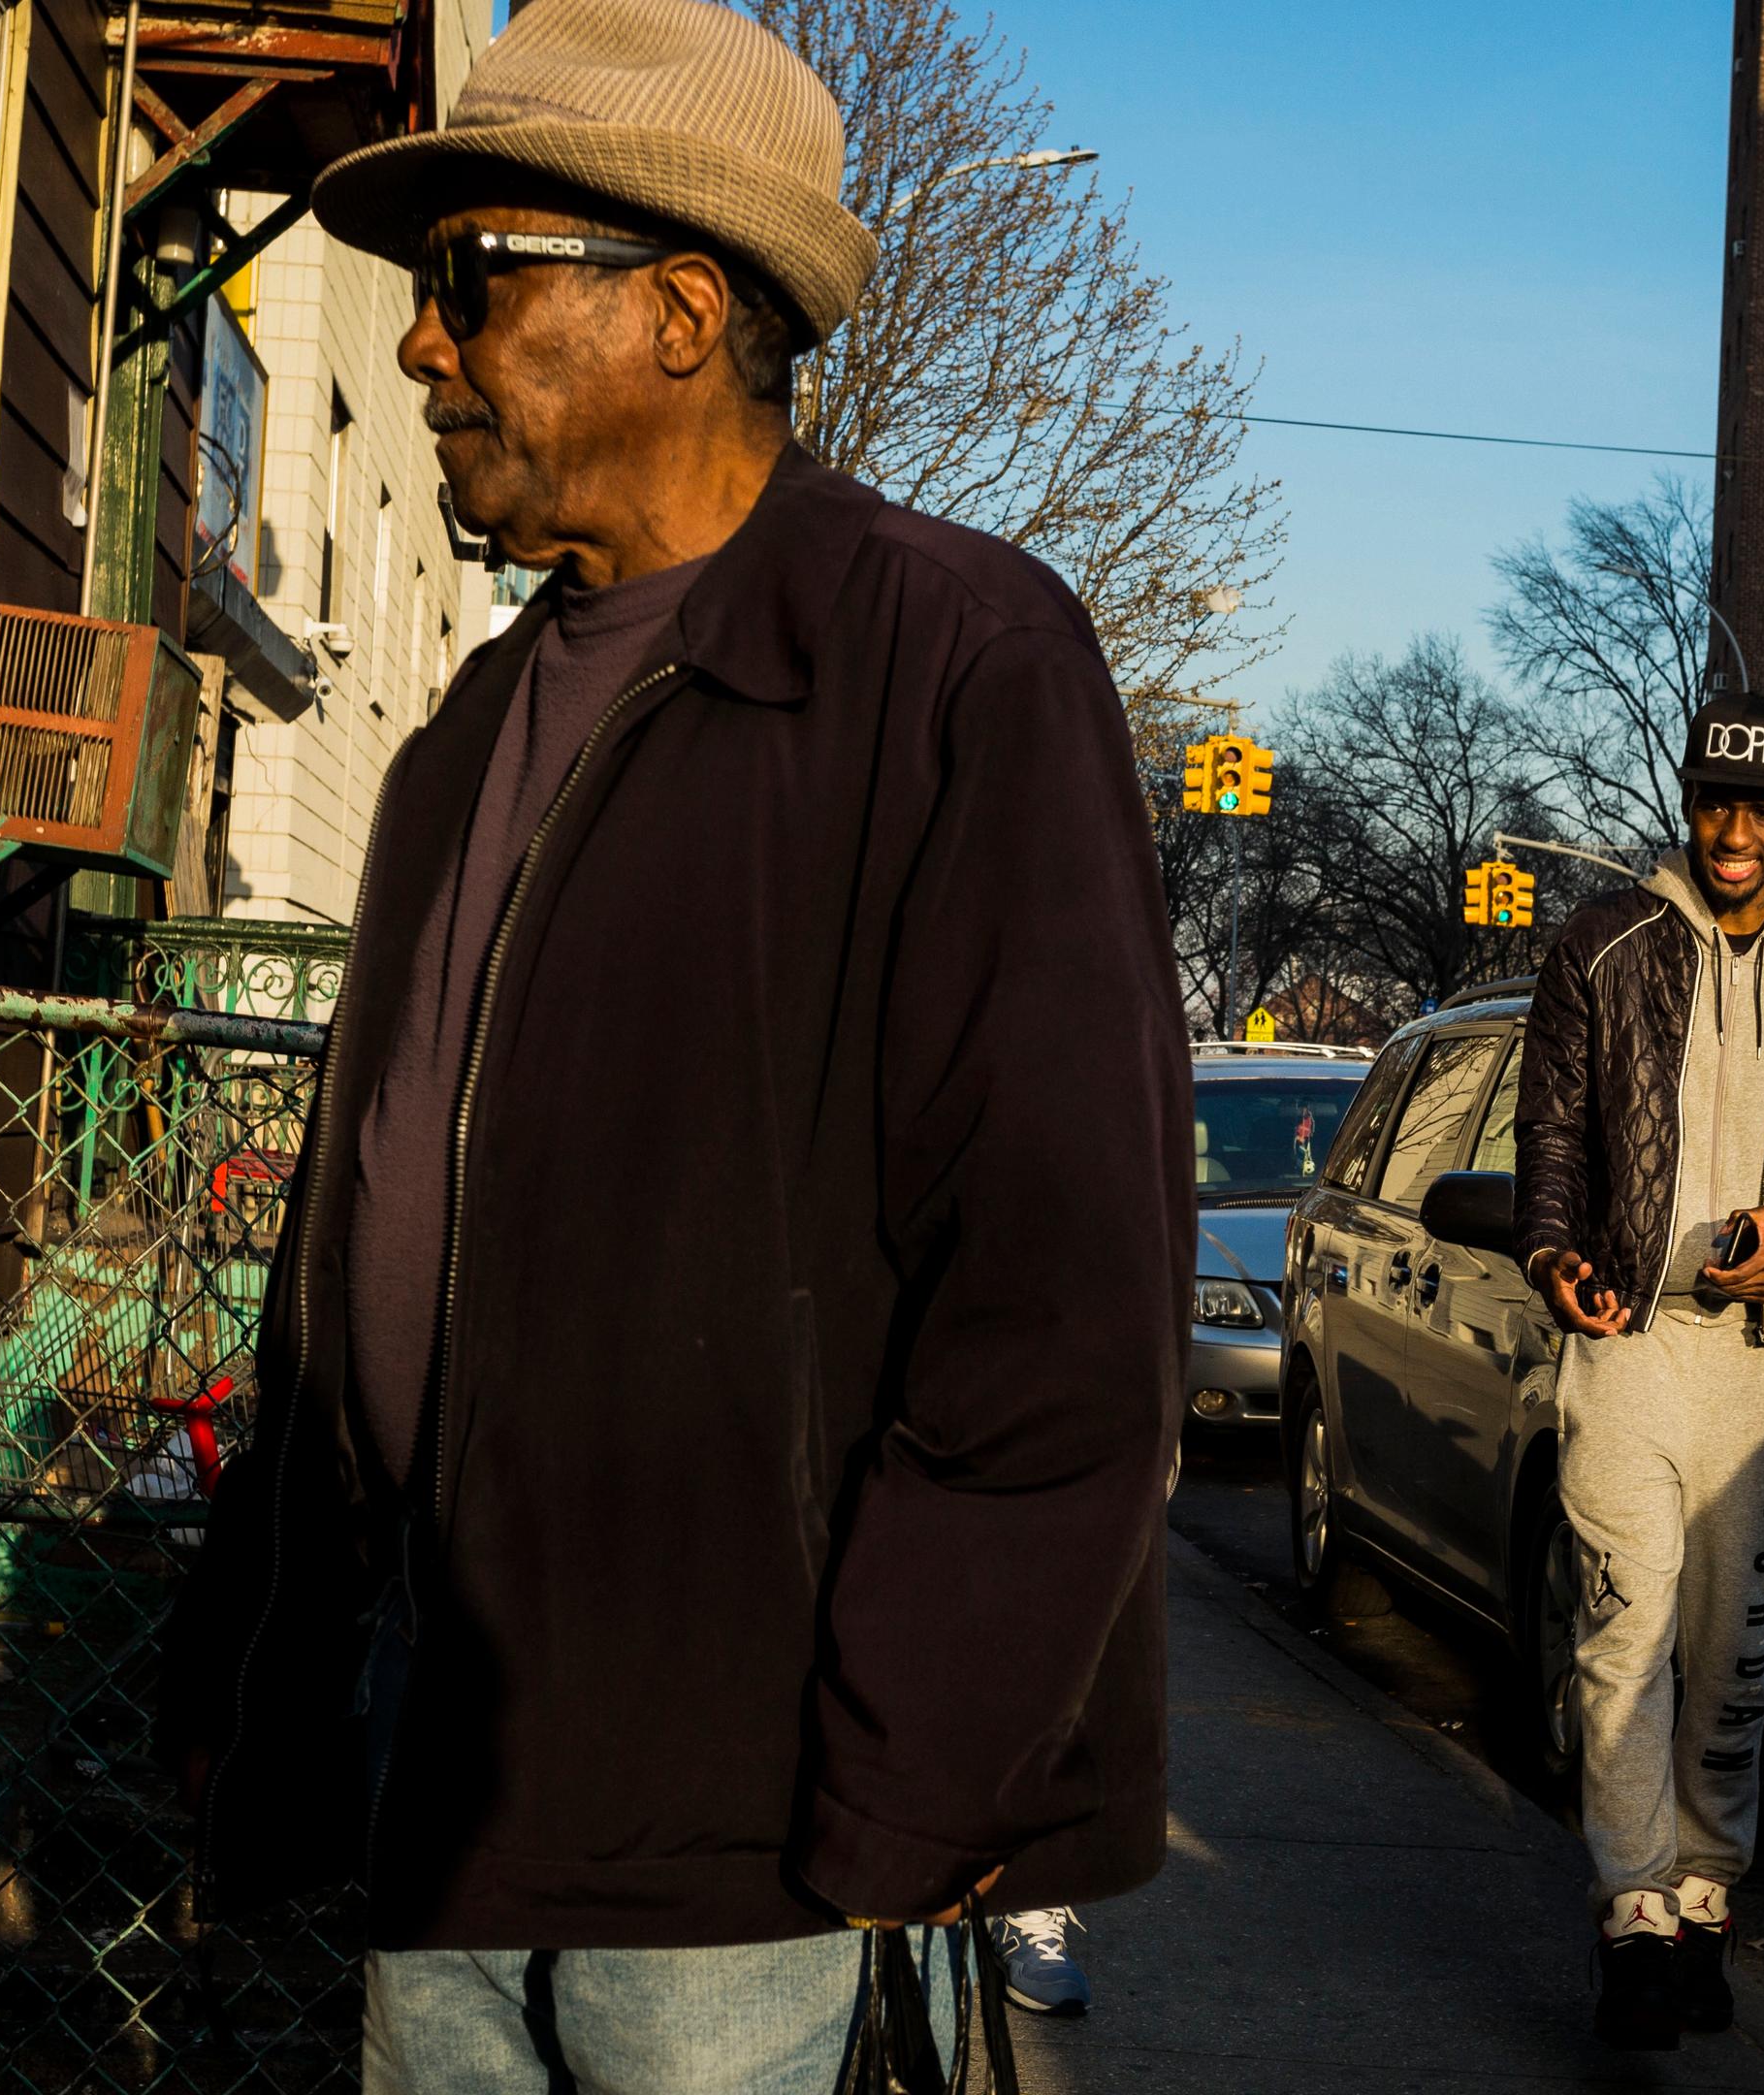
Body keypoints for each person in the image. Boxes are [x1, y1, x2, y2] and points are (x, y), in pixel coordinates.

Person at [156, 3, 1191, 2089]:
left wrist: (911, 1781)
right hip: (443, 1781)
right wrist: (271, 1677)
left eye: (472, 281)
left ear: (684, 312)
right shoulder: (466, 735)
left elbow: (1063, 1302)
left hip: (748, 1860)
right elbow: (366, 1244)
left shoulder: (952, 664)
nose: (424, 346)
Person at [1514, 692, 1764, 2052]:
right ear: (1690, 803)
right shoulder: (1600, 945)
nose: (1735, 831)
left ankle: (1703, 1897)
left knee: (1734, 1657)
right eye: (1715, 804)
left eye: (1763, 807)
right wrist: (1556, 1254)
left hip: (1761, 1369)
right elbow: (1550, 1128)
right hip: (1626, 1352)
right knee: (1625, 1637)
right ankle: (1631, 1916)